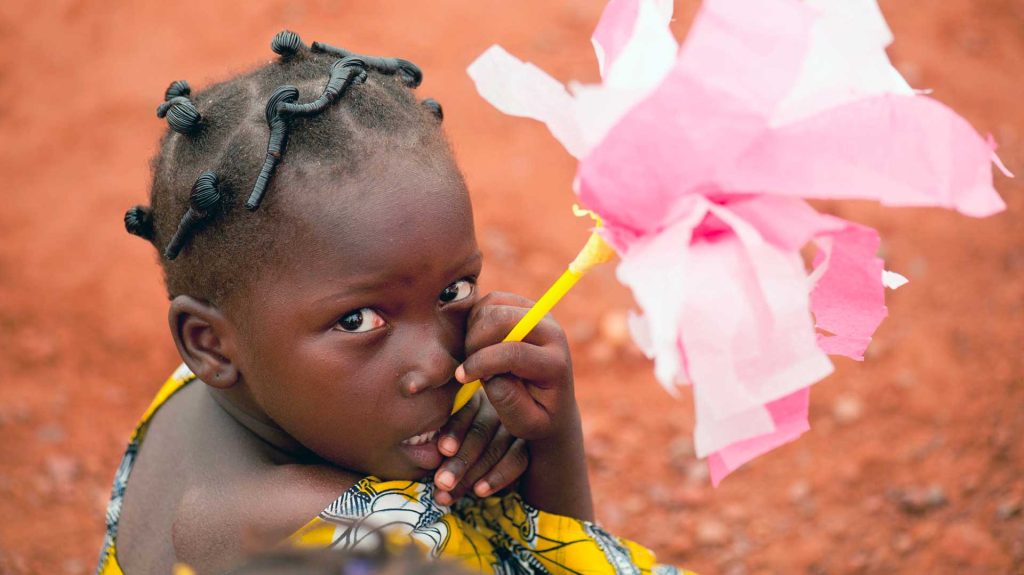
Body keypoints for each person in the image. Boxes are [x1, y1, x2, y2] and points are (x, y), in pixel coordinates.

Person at [98, 30, 690, 575]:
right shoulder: (334, 539)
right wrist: (555, 451)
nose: (439, 363)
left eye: (453, 292)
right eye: (358, 320)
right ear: (208, 343)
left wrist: (543, 438)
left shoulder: (229, 391)